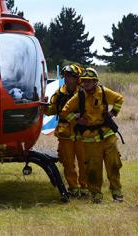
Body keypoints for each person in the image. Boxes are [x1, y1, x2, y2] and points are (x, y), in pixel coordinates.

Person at [61, 68, 124, 204]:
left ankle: (117, 194)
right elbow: (65, 111)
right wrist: (77, 120)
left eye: (89, 81)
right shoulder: (80, 96)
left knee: (113, 165)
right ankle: (96, 195)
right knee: (93, 168)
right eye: (84, 81)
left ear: (95, 81)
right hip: (89, 138)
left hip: (107, 136)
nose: (86, 84)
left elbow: (119, 99)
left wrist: (113, 113)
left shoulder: (104, 92)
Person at [45, 64, 89, 198]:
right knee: (68, 163)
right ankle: (73, 188)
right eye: (66, 76)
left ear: (77, 78)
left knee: (84, 162)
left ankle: (85, 189)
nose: (67, 79)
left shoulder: (85, 93)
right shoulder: (59, 93)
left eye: (70, 77)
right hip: (65, 134)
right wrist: (43, 108)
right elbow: (53, 109)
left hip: (82, 133)